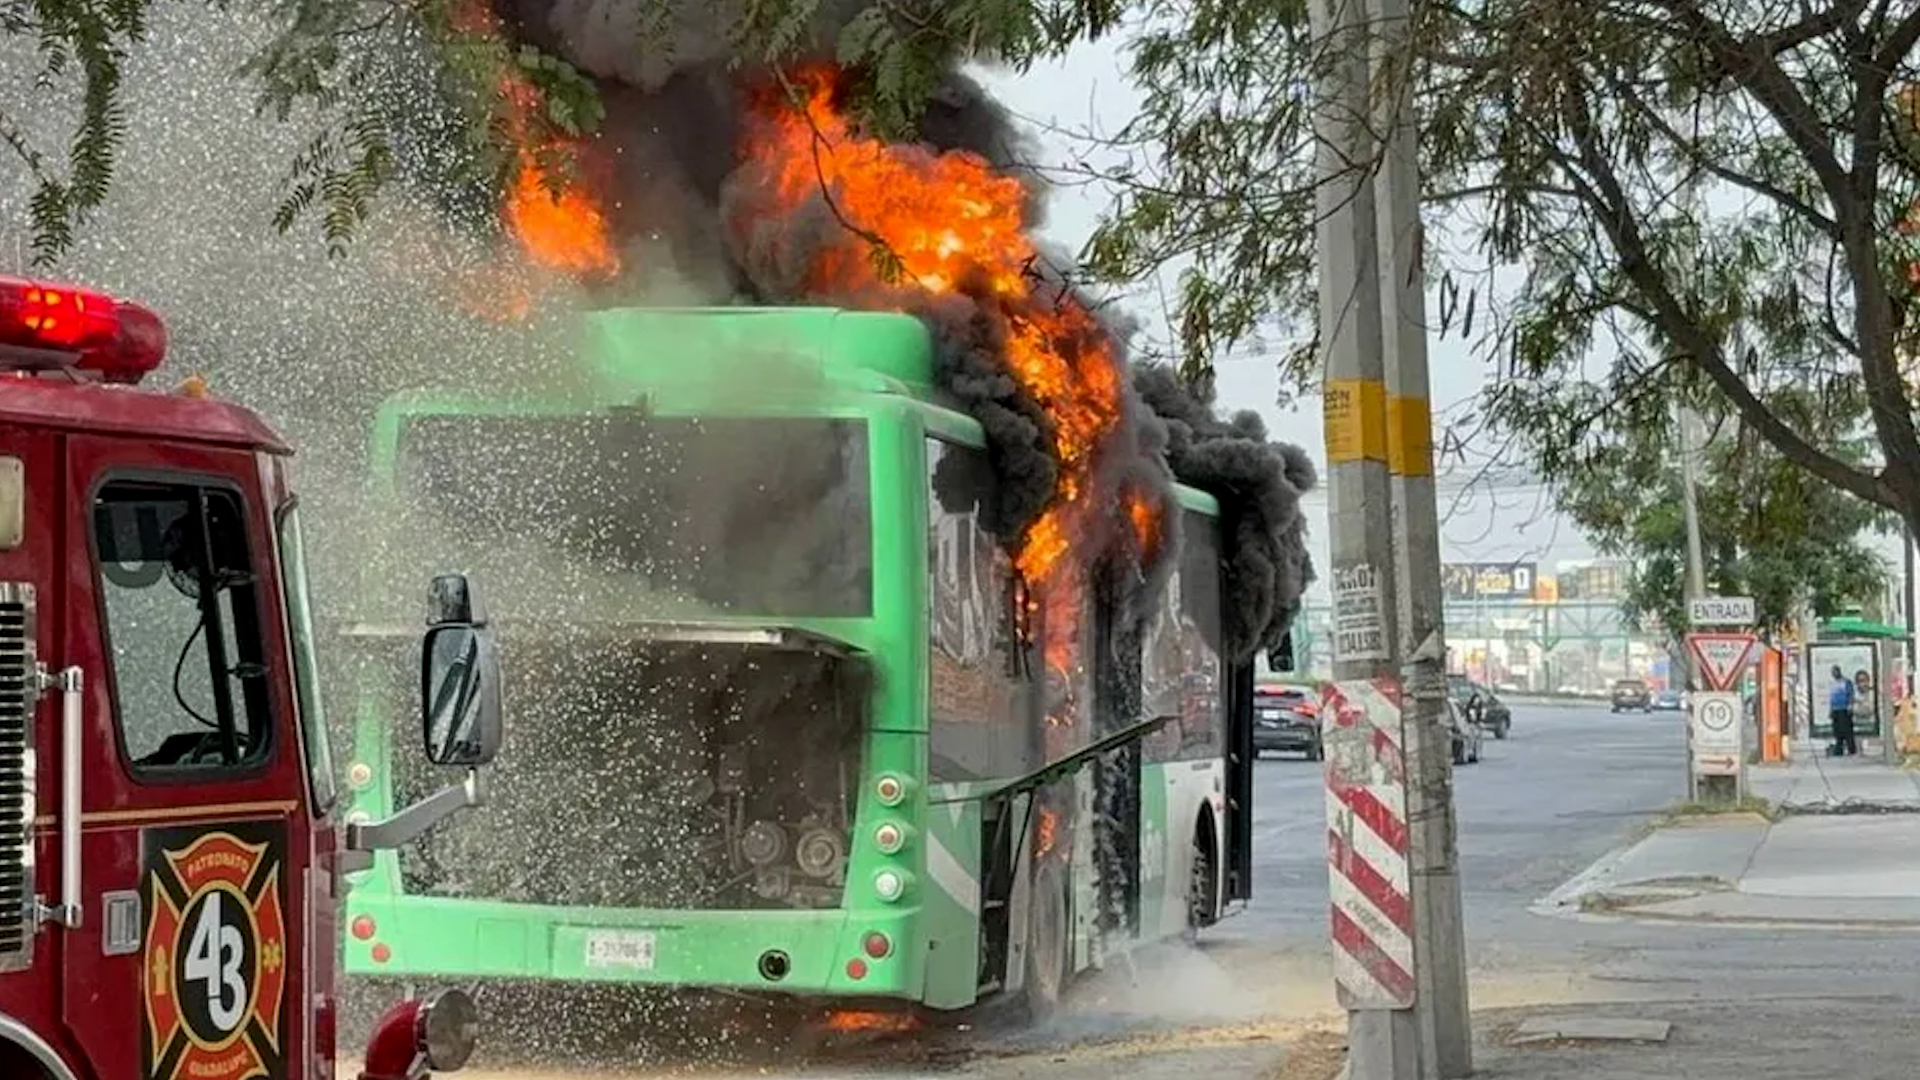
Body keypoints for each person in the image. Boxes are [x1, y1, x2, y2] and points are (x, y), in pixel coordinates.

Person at [1829, 664, 1859, 757]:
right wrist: (1831, 709)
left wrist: (1850, 705)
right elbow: (1832, 697)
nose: (1834, 674)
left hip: (1844, 709)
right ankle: (1839, 749)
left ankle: (1851, 749)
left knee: (1847, 730)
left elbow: (1850, 694)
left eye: (1835, 672)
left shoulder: (1846, 682)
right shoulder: (1833, 683)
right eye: (1832, 672)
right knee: (1837, 731)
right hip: (1835, 709)